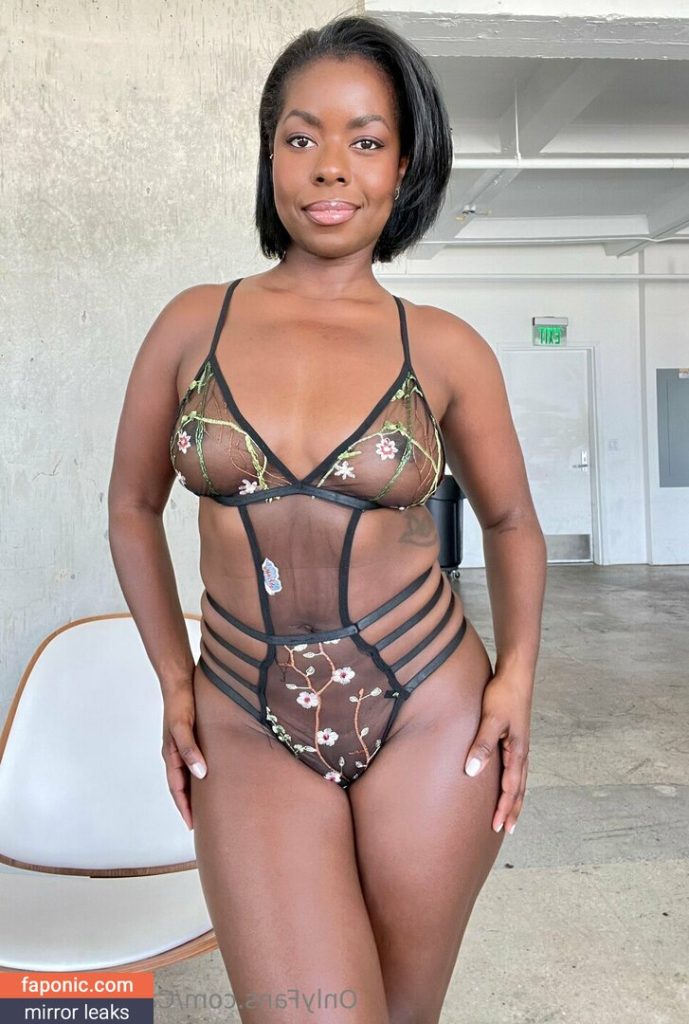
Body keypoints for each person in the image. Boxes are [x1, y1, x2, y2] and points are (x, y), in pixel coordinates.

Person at [108, 13, 547, 1024]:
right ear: (269, 156)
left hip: (429, 709)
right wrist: (172, 676)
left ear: (404, 167)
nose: (329, 167)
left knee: (401, 1013)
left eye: (366, 139)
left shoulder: (443, 346)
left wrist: (519, 675)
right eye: (300, 136)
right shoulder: (193, 323)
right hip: (241, 708)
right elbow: (131, 507)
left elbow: (512, 520)